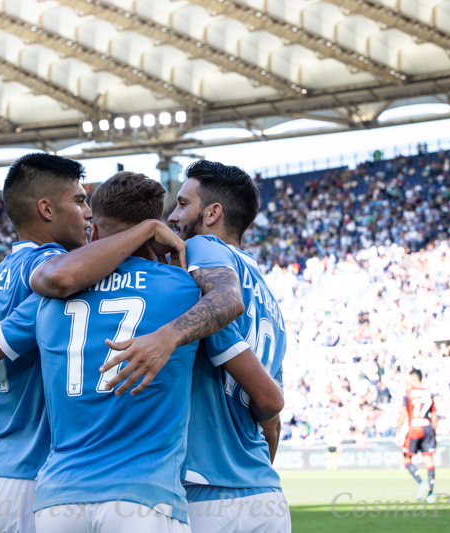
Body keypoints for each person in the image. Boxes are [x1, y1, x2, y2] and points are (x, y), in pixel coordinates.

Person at [0, 172, 271, 532]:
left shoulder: (49, 298)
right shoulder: (185, 291)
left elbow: (43, 283)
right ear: (158, 227)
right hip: (144, 497)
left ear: (95, 229)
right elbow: (266, 393)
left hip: (58, 498)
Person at [0, 161, 188, 533]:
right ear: (47, 210)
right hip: (28, 474)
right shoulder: (50, 270)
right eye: (79, 201)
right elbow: (63, 277)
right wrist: (144, 231)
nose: (89, 213)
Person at [147, 160, 290, 533]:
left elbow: (225, 297)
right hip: (263, 494)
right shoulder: (271, 300)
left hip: (205, 491)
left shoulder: (201, 246)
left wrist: (166, 336)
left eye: (182, 203)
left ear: (212, 213)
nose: (173, 216)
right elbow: (270, 421)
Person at [396, 368, 438, 503]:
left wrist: (398, 430)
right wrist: (434, 433)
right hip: (427, 428)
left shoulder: (408, 394)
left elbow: (403, 413)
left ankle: (421, 482)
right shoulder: (429, 394)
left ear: (414, 380)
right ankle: (431, 494)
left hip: (414, 428)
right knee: (429, 461)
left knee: (407, 459)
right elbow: (434, 415)